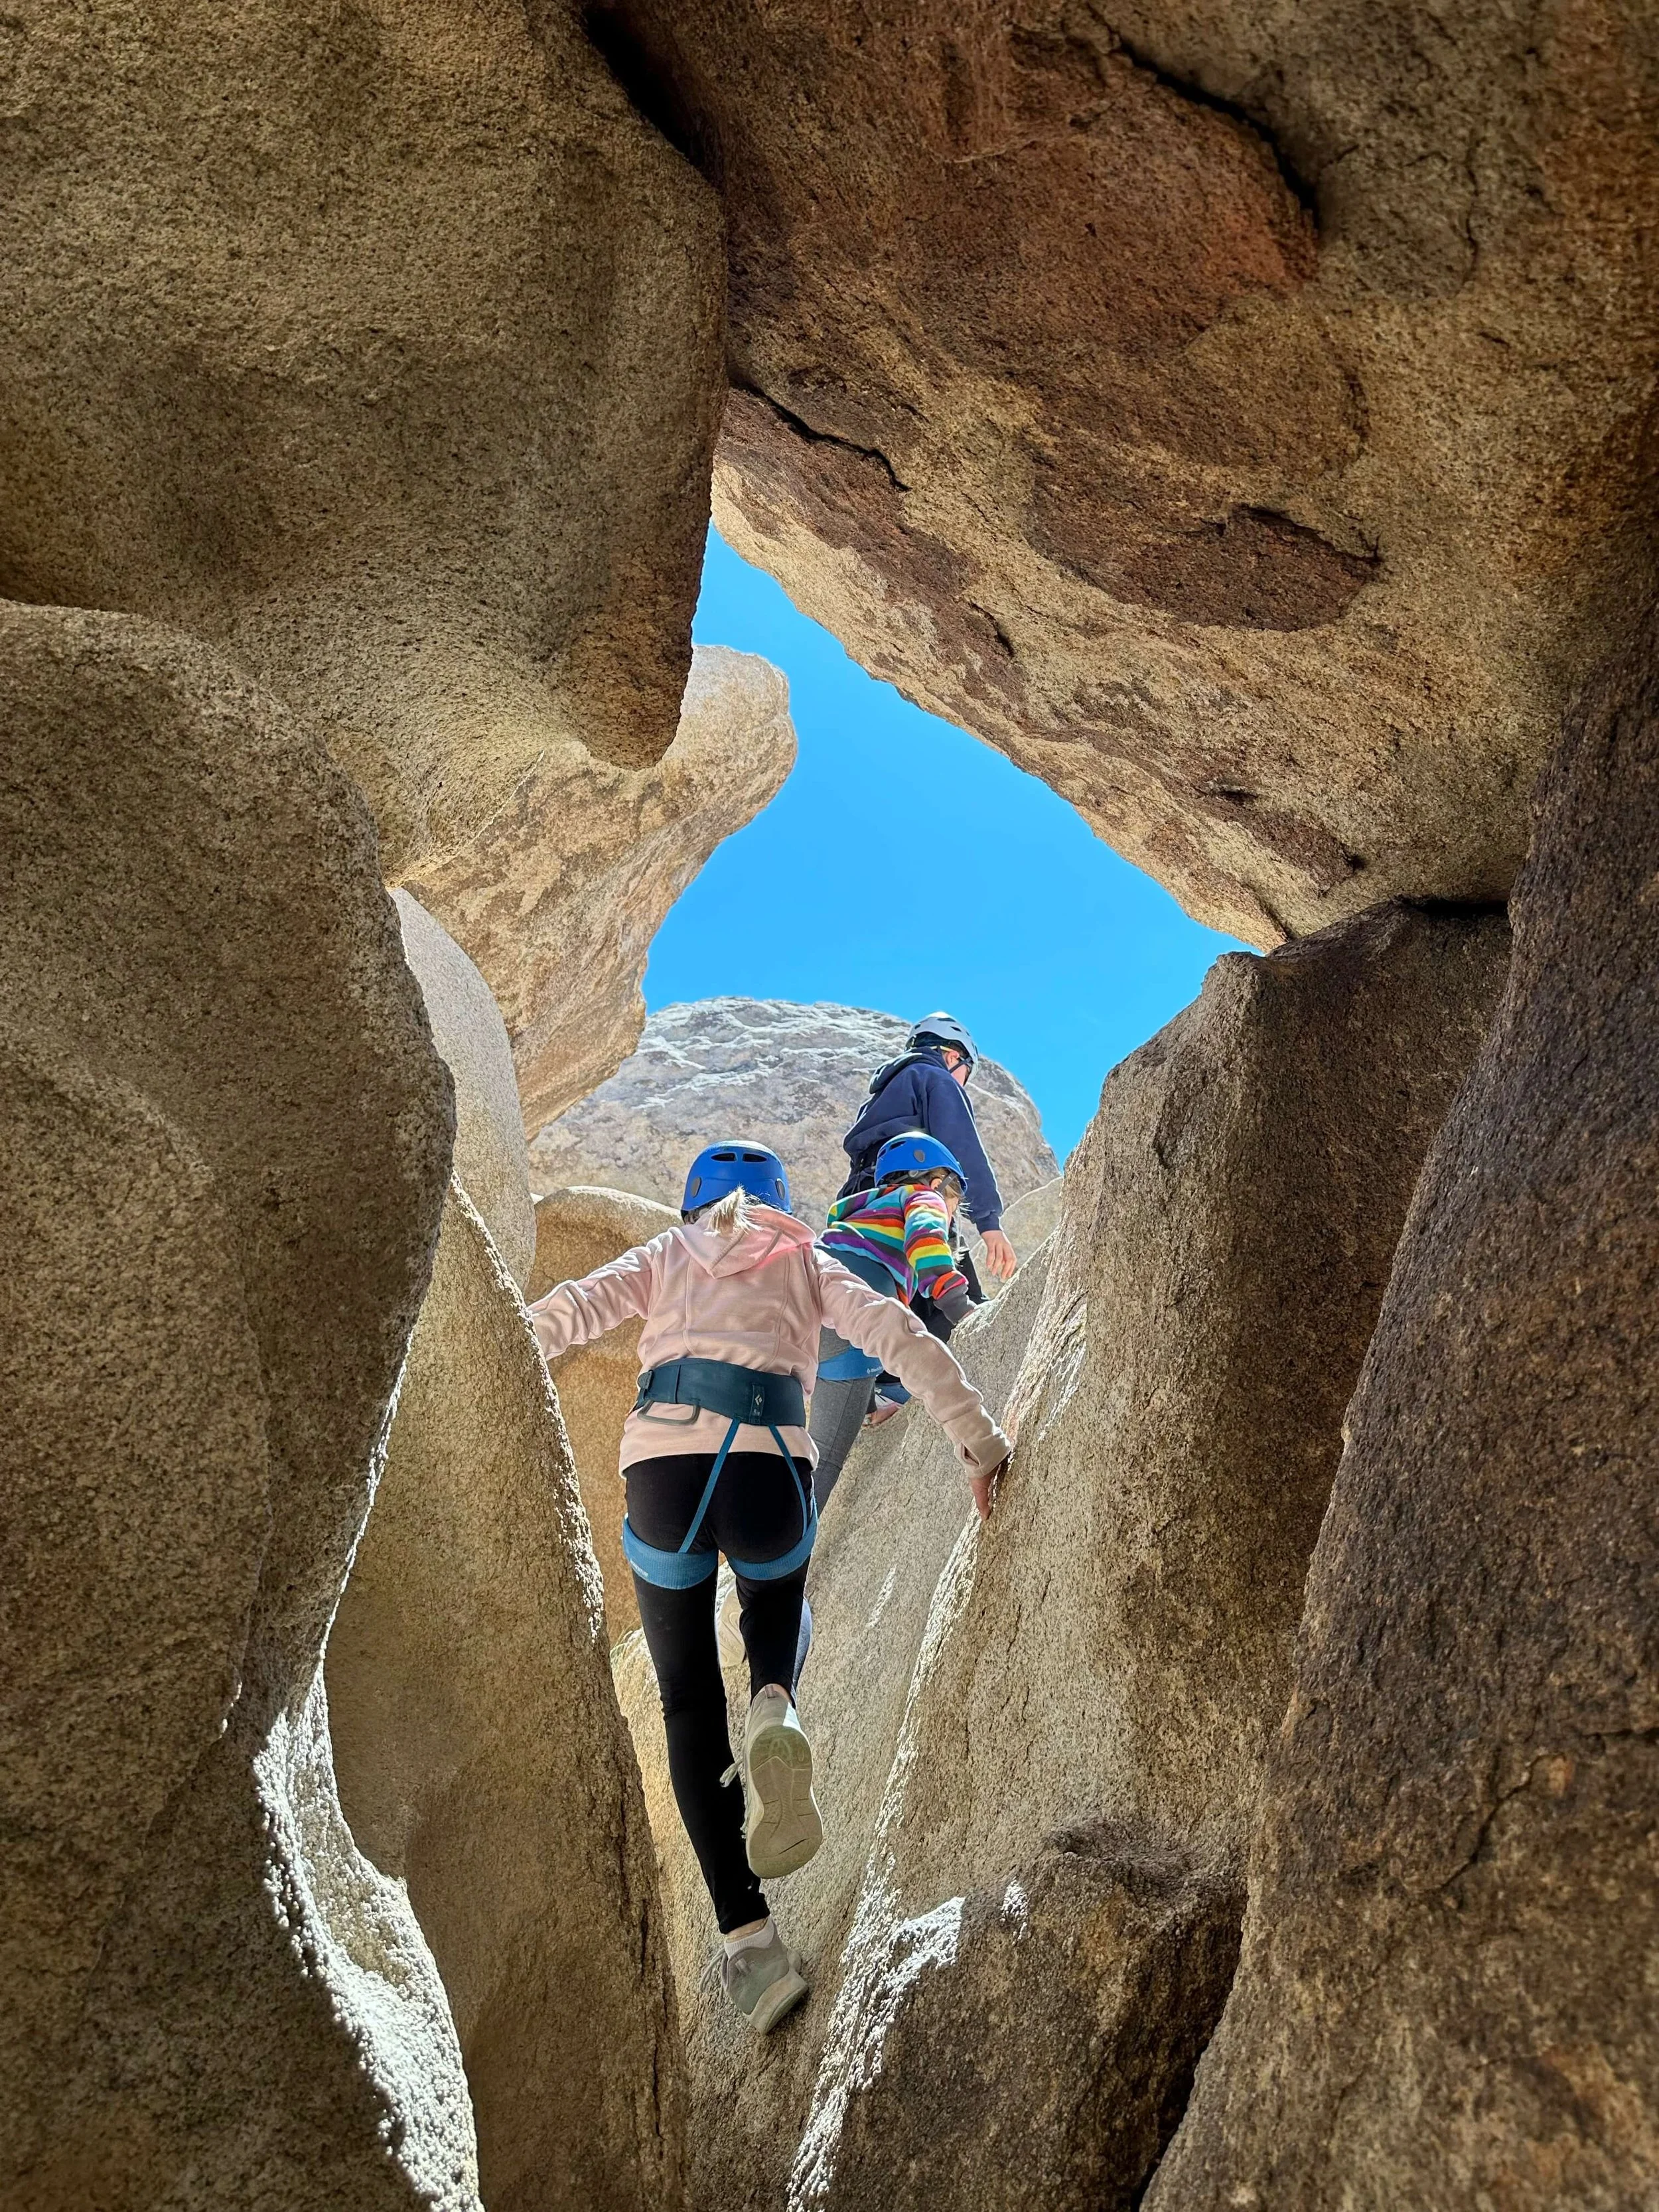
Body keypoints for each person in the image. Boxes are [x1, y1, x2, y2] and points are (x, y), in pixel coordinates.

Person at [526, 1138, 1011, 2036]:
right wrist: (979, 1443)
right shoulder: (807, 1258)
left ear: (693, 1202)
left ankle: (750, 1947)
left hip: (666, 1474)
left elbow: (565, 1315)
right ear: (784, 1201)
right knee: (779, 1606)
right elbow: (899, 1334)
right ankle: (777, 1701)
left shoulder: (666, 1253)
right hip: (770, 1468)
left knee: (684, 1706)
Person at [808, 1130, 977, 1510]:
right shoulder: (924, 1197)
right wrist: (961, 1308)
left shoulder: (858, 1216)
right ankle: (784, 1559)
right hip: (849, 1333)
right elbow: (927, 1244)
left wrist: (870, 1406)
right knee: (826, 1459)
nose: (951, 1215)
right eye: (953, 1202)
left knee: (802, 1449)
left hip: (801, 1316)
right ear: (938, 1183)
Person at [837, 1013, 1019, 1290]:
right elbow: (961, 1146)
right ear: (952, 1057)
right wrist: (989, 1223)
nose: (961, 1084)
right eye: (965, 1074)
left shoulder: (877, 1098)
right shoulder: (936, 1078)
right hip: (917, 1196)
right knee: (954, 1302)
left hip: (862, 1203)